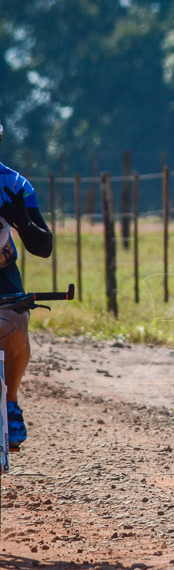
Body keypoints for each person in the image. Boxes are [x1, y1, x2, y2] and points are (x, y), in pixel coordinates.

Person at [0, 122, 54, 452]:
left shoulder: (14, 183)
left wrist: (21, 220)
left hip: (2, 270)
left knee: (15, 324)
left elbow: (43, 246)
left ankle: (10, 402)